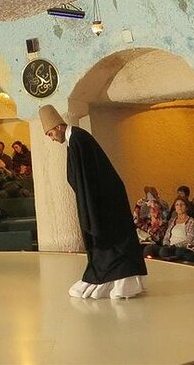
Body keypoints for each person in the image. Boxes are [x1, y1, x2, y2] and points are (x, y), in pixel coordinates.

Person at [39, 104, 147, 299]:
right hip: (103, 200)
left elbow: (86, 180)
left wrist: (89, 213)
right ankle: (110, 282)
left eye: (49, 134)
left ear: (58, 127)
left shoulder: (78, 140)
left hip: (105, 202)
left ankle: (120, 283)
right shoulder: (76, 139)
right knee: (109, 241)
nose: (52, 139)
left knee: (109, 240)